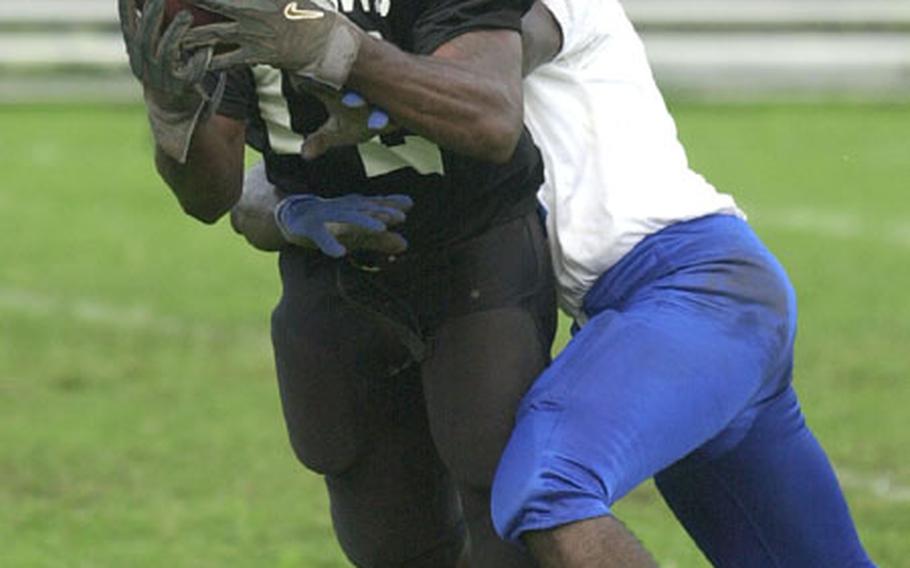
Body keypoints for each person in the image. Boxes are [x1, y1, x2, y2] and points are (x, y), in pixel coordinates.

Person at [234, 0, 876, 565]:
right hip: (669, 320)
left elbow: (485, 91)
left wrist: (355, 69)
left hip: (693, 291)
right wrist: (292, 195)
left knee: (548, 490)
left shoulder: (524, 19)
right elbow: (270, 176)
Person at [118, 0, 556, 565]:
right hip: (333, 272)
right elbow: (209, 196)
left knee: (509, 516)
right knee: (391, 544)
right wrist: (173, 111)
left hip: (474, 260)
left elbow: (491, 118)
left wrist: (337, 50)